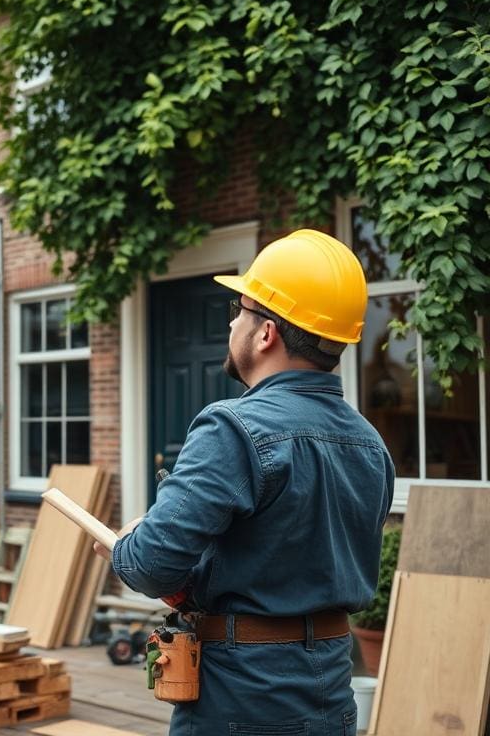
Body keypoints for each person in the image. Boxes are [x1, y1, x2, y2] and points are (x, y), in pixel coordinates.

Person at [97, 229, 395, 734]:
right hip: (331, 695)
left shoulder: (233, 428)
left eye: (240, 308)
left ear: (266, 333)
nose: (232, 321)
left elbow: (150, 566)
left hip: (241, 702)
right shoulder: (372, 445)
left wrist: (126, 544)